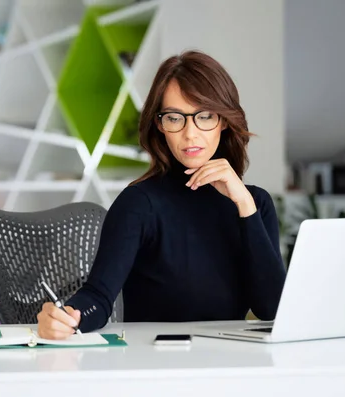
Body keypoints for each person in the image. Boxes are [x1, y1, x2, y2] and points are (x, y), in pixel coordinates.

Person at [37, 50, 287, 339]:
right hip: (155, 365)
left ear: (224, 121)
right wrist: (68, 318)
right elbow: (98, 296)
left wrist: (244, 205)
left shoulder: (254, 204)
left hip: (226, 366)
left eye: (204, 116)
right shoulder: (139, 205)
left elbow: (272, 309)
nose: (190, 133)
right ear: (160, 125)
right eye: (174, 118)